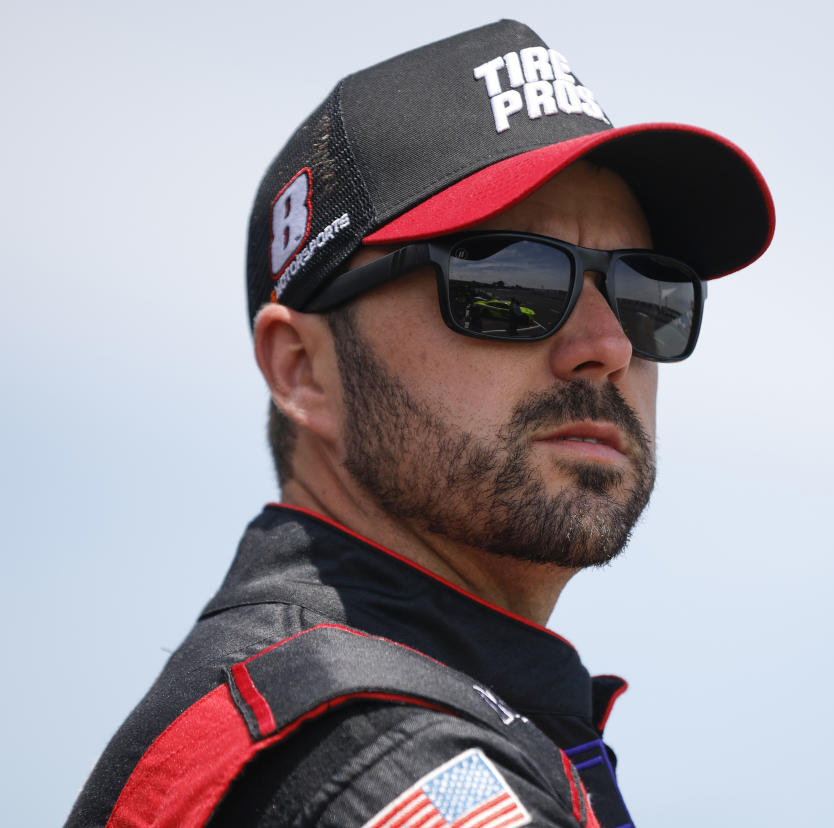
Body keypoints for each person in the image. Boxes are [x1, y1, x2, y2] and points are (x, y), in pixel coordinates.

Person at [66, 19, 773, 828]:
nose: (607, 347)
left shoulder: (416, 711)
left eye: (650, 295)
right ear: (302, 369)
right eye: (509, 283)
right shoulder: (378, 758)